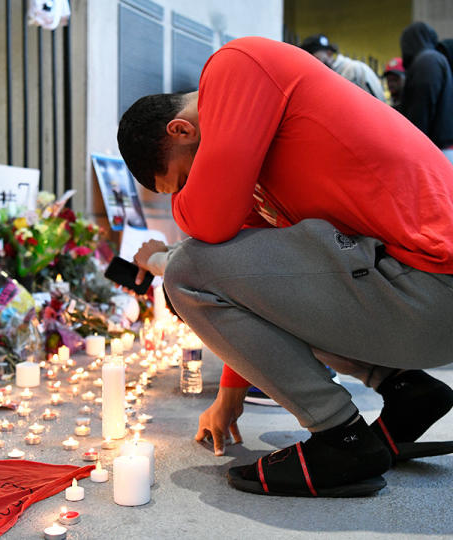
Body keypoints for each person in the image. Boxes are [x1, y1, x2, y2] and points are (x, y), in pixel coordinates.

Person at [117, 36, 453, 498]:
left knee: (184, 270)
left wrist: (158, 253)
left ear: (181, 131)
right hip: (419, 295)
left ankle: (342, 437)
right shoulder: (260, 166)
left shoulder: (237, 65)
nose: (185, 198)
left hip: (432, 284)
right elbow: (259, 292)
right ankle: (407, 392)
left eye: (183, 184)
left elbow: (207, 227)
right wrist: (230, 395)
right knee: (206, 267)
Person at [399, 22, 453, 159]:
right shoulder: (431, 59)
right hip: (438, 149)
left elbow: (422, 106)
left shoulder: (427, 61)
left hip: (435, 151)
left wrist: (412, 147)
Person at [301, 33, 386, 102]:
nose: (310, 61)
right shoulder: (324, 79)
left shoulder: (355, 69)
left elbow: (380, 104)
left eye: (313, 55)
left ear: (329, 53)